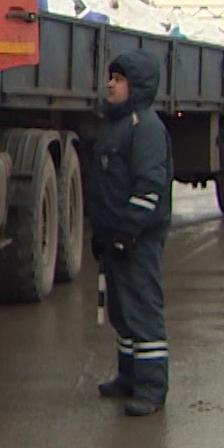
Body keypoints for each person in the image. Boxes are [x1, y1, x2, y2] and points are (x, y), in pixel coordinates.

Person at [89, 49, 174, 417]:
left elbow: (149, 186)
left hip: (137, 238)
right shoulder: (118, 125)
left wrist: (128, 230)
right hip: (116, 237)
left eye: (119, 79)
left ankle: (151, 389)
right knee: (121, 312)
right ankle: (128, 377)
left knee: (142, 310)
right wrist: (104, 233)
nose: (110, 83)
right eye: (111, 77)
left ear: (135, 85)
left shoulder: (146, 128)